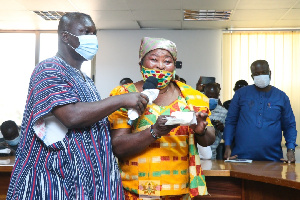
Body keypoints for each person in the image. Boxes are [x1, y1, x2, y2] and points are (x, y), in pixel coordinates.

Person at [6, 12, 149, 199]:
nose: (92, 39)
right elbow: (71, 116)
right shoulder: (49, 69)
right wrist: (121, 99)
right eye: (85, 32)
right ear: (65, 36)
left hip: (82, 181)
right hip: (54, 181)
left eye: (94, 33)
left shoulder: (85, 79)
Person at [108, 37, 215, 199]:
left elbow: (209, 139)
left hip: (180, 192)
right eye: (153, 59)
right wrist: (154, 131)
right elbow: (118, 147)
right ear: (141, 64)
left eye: (167, 61)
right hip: (135, 191)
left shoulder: (193, 97)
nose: (160, 65)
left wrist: (201, 131)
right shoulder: (124, 95)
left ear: (174, 66)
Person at [223, 60, 297, 163]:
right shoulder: (241, 94)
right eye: (256, 74)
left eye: (264, 72)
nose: (260, 76)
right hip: (241, 158)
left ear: (270, 73)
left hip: (273, 160)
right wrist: (227, 145)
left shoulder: (281, 96)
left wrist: (291, 149)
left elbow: (289, 125)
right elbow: (231, 121)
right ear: (252, 76)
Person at [203, 83, 228, 160]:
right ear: (204, 94)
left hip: (212, 154)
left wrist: (222, 129)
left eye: (215, 96)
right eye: (209, 96)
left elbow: (226, 136)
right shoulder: (196, 108)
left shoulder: (223, 112)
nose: (212, 98)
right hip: (195, 153)